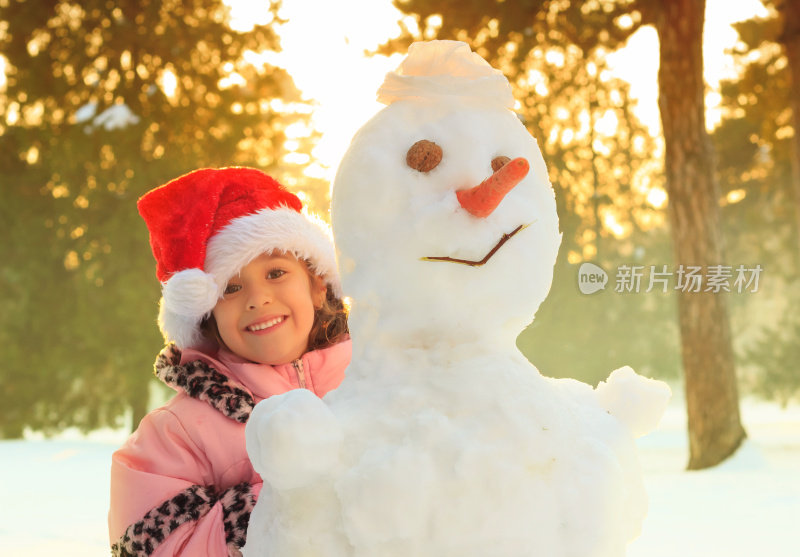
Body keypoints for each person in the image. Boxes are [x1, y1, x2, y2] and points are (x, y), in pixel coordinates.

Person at [108, 167, 350, 556]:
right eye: (232, 287)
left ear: (318, 286)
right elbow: (144, 546)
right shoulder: (178, 432)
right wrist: (290, 503)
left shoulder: (378, 381)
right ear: (208, 316)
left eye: (276, 272)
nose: (257, 298)